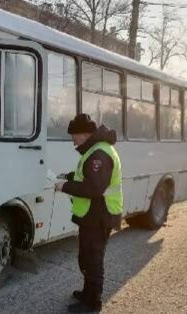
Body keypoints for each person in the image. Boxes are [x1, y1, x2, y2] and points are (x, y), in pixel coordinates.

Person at [55, 114, 123, 313]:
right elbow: (86, 177)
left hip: (101, 215)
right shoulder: (95, 150)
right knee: (86, 258)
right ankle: (87, 293)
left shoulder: (99, 154)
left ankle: (93, 303)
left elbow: (93, 188)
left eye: (74, 135)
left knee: (93, 260)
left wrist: (64, 186)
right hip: (93, 215)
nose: (73, 140)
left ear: (84, 134)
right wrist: (67, 177)